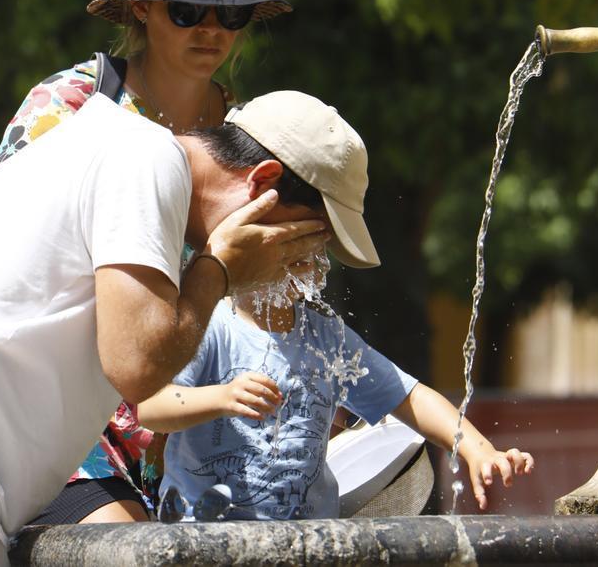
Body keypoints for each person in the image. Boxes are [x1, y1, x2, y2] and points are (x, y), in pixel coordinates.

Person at [0, 90, 356, 565]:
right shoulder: (146, 160)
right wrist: (220, 269)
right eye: (307, 240)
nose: (304, 267)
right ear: (262, 184)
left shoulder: (111, 145)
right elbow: (138, 367)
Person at [0, 0, 292, 525]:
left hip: (179, 441)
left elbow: (250, 305)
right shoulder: (69, 106)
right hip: (56, 427)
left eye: (230, 11)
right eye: (187, 9)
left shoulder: (242, 133)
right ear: (143, 8)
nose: (211, 29)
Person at [140, 104, 535, 522]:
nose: (307, 259)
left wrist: (474, 446)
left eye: (316, 249)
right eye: (295, 243)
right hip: (200, 542)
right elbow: (151, 406)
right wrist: (220, 398)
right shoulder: (212, 324)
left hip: (304, 545)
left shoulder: (325, 339)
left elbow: (410, 396)